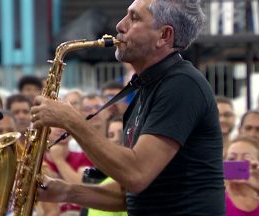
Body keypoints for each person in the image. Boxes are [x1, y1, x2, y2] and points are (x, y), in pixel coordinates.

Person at [31, 0, 225, 215]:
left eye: (134, 18)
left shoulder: (182, 85)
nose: (120, 26)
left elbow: (136, 174)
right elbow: (128, 195)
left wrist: (71, 121)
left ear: (164, 36)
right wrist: (66, 191)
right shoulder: (148, 87)